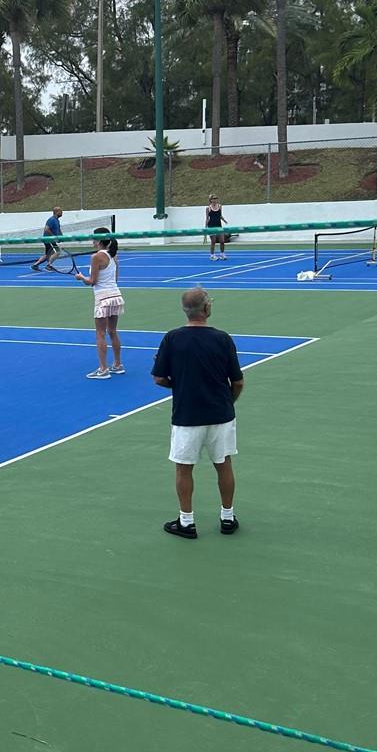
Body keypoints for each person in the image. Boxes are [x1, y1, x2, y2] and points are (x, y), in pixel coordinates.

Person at [151, 287, 244, 539]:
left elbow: (159, 378)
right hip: (220, 415)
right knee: (224, 464)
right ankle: (227, 518)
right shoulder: (223, 339)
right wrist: (228, 403)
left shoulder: (172, 339)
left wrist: (180, 385)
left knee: (184, 469)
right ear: (206, 308)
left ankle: (186, 522)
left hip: (187, 416)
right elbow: (237, 382)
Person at [75, 227, 124, 378]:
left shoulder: (96, 257)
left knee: (100, 334)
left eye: (93, 238)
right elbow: (115, 279)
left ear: (98, 240)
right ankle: (118, 365)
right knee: (113, 331)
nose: (92, 241)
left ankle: (103, 369)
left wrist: (81, 278)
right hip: (116, 296)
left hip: (102, 298)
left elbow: (92, 281)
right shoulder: (114, 256)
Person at [30, 207, 65, 271]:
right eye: (60, 211)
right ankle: (49, 265)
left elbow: (58, 230)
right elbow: (46, 229)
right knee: (57, 252)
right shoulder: (52, 220)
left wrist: (61, 237)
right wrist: (54, 237)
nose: (62, 213)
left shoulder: (57, 220)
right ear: (56, 212)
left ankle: (35, 265)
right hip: (49, 239)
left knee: (47, 255)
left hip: (50, 239)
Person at [205, 197, 229, 261]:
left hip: (219, 225)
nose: (215, 200)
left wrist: (225, 221)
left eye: (216, 199)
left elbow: (220, 215)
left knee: (222, 241)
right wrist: (205, 228)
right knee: (213, 241)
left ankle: (222, 254)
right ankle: (212, 255)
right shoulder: (208, 208)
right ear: (211, 200)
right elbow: (207, 218)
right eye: (214, 199)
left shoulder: (220, 206)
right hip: (211, 226)